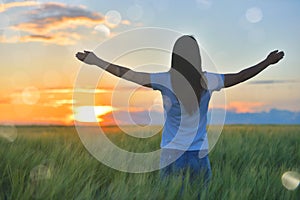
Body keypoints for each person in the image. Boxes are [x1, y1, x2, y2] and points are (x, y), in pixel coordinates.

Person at [76, 35, 284, 189]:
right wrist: (266, 62)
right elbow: (240, 76)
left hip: (170, 153)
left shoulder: (164, 80)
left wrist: (97, 61)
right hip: (198, 154)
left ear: (175, 57)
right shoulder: (208, 80)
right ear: (197, 57)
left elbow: (129, 75)